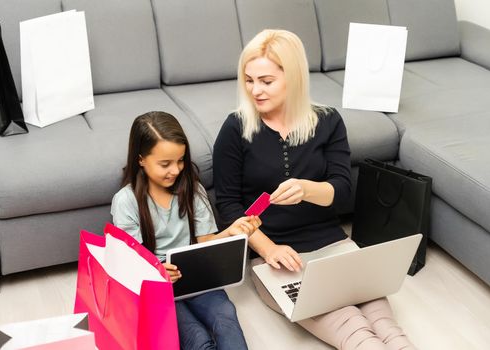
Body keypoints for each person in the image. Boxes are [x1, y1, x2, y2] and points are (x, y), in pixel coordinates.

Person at [213, 29, 416, 350]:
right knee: (357, 335)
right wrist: (269, 250)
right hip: (276, 258)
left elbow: (343, 190)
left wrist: (307, 189)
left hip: (333, 245)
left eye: (266, 81)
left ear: (292, 76)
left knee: (390, 331)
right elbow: (228, 207)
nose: (255, 90)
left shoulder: (328, 121)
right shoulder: (235, 128)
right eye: (249, 80)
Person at [111, 111, 261, 350]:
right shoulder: (126, 201)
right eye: (165, 164)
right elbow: (131, 260)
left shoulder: (193, 189)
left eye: (180, 160)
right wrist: (157, 270)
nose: (176, 170)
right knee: (197, 337)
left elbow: (206, 241)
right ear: (141, 159)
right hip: (157, 285)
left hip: (196, 275)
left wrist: (231, 233)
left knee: (225, 317)